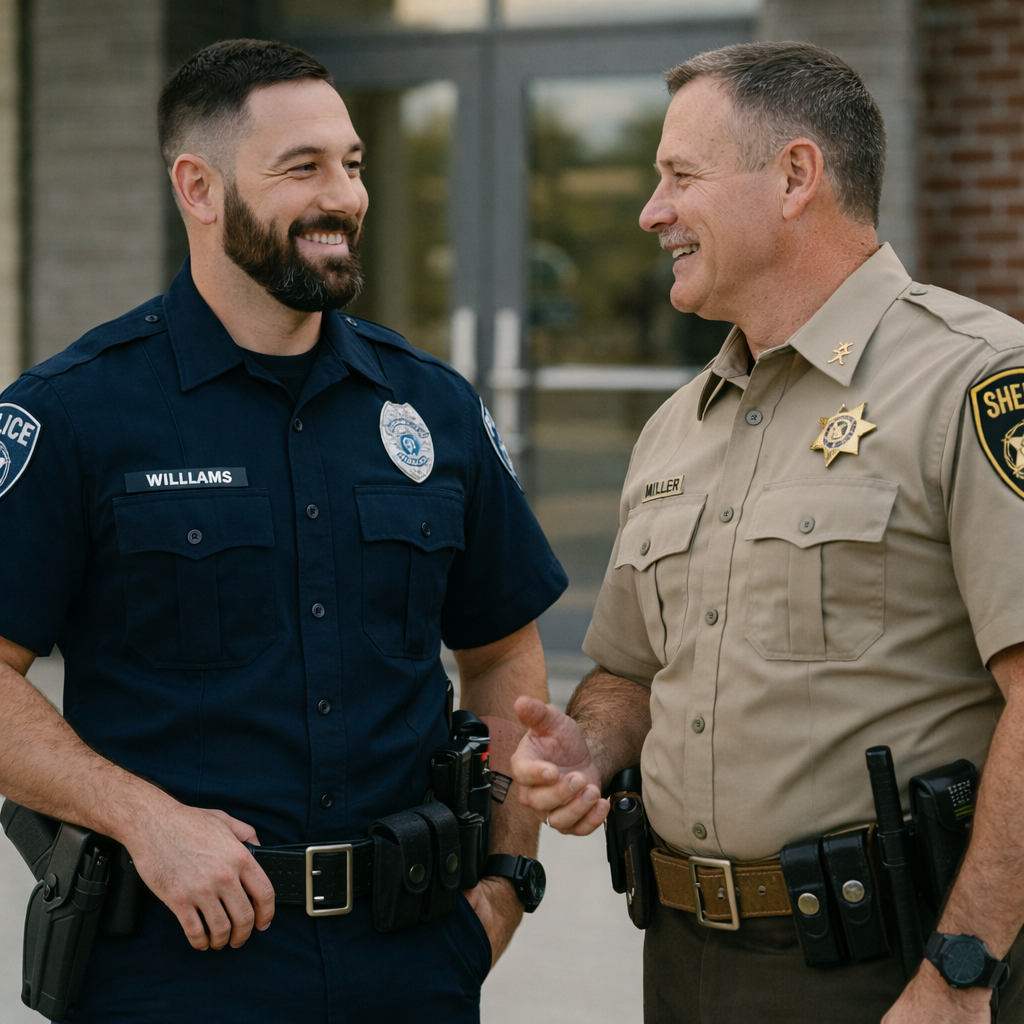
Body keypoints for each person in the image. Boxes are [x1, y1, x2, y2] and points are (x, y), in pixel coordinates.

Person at [0, 39, 566, 1023]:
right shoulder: (76, 413)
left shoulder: (430, 407)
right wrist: (144, 819)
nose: (343, 195)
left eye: (350, 163)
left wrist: (508, 877)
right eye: (301, 168)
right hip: (173, 971)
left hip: (413, 962)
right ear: (199, 187)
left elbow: (504, 651)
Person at [511, 40, 1024, 1024]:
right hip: (684, 958)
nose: (650, 212)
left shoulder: (976, 379)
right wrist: (589, 745)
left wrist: (960, 971)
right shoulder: (675, 426)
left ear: (794, 176)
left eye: (679, 178)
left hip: (893, 968)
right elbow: (630, 672)